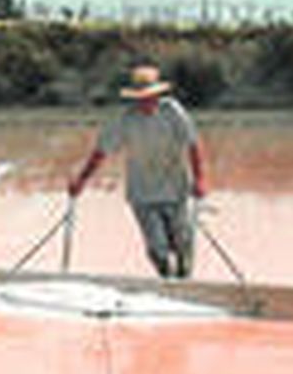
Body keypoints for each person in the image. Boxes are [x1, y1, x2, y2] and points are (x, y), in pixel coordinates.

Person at [66, 64, 209, 279]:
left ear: (157, 95)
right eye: (141, 97)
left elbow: (193, 144)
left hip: (175, 188)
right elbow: (101, 151)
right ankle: (166, 280)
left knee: (183, 242)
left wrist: (200, 180)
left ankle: (184, 279)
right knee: (157, 247)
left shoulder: (172, 111)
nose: (146, 101)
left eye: (150, 96)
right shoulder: (125, 119)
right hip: (142, 193)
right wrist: (81, 181)